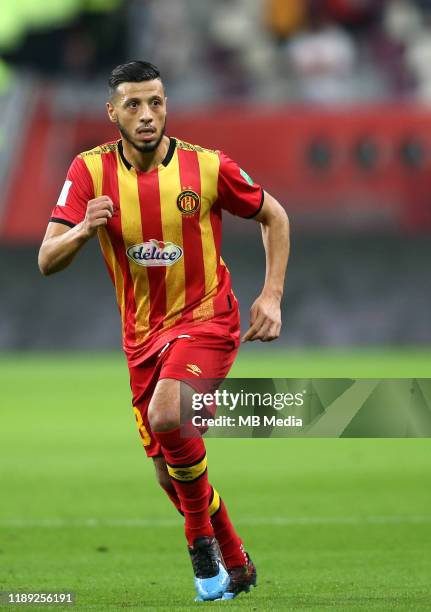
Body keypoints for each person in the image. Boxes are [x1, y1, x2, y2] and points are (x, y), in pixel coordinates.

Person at [38, 61, 290, 602]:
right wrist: (84, 228)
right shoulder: (88, 172)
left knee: (168, 412)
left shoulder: (206, 166)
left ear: (167, 105)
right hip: (140, 338)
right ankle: (235, 554)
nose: (147, 115)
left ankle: (199, 543)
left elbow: (275, 216)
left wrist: (270, 294)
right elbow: (46, 259)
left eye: (155, 102)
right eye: (133, 104)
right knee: (167, 472)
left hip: (207, 320)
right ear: (112, 112)